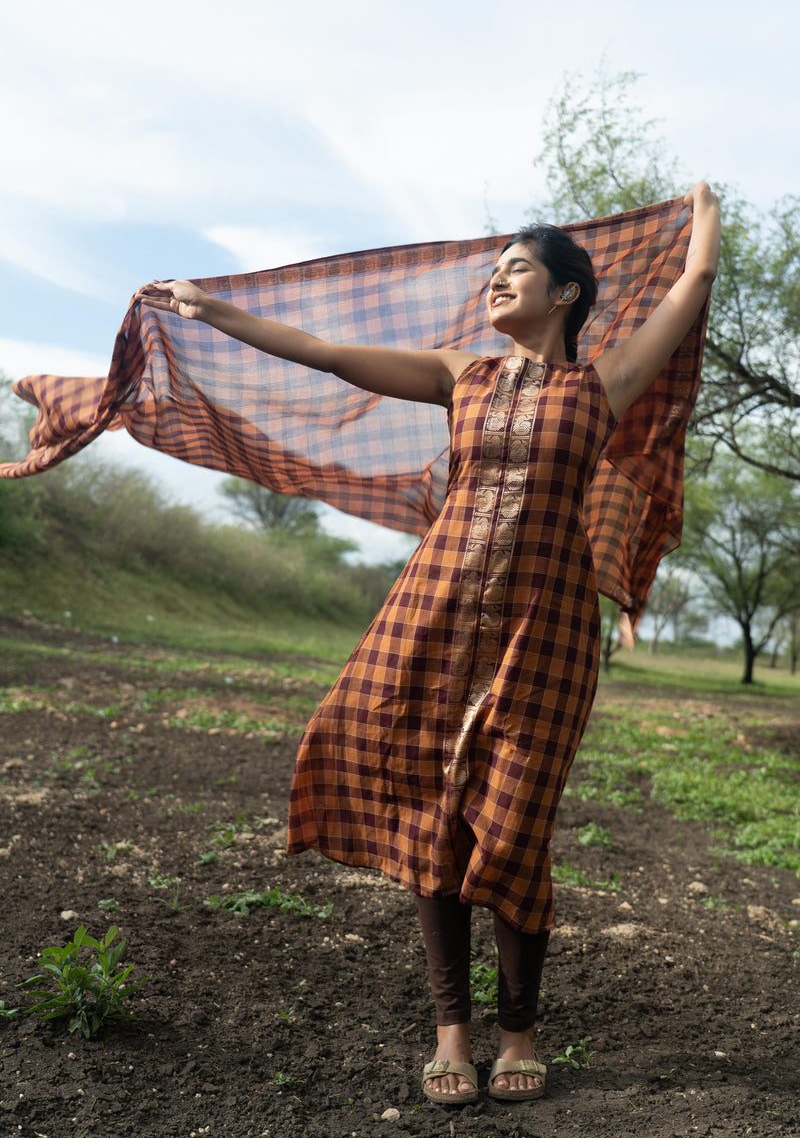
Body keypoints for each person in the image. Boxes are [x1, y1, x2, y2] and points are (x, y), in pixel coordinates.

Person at [137, 182, 720, 1105]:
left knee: (518, 820)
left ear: (567, 292)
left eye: (516, 270)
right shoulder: (463, 376)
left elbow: (688, 290)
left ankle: (519, 1029)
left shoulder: (601, 383)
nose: (496, 283)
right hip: (435, 607)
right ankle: (454, 1029)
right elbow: (327, 354)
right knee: (430, 808)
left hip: (550, 629)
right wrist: (216, 309)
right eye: (492, 272)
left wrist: (705, 214)